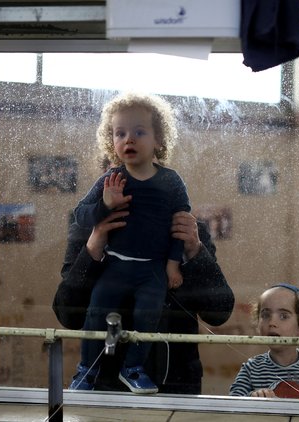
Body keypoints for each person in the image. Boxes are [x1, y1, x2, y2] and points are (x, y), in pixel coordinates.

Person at [66, 92, 200, 394]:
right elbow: (81, 216)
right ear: (110, 141)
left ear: (158, 140)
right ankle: (87, 369)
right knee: (96, 312)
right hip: (114, 266)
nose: (129, 139)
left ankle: (133, 367)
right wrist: (105, 205)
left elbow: (181, 224)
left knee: (147, 315)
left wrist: (172, 264)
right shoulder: (110, 180)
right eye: (120, 133)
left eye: (140, 132)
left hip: (152, 269)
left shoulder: (171, 181)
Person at [55, 210, 234, 394]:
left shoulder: (186, 228)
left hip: (177, 385)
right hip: (108, 386)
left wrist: (194, 250)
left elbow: (219, 312)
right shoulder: (90, 227)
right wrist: (93, 248)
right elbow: (68, 315)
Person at [229, 283, 299, 399]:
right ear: (257, 324)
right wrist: (252, 397)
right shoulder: (252, 367)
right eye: (265, 315)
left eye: (283, 316)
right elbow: (233, 402)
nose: (272, 323)